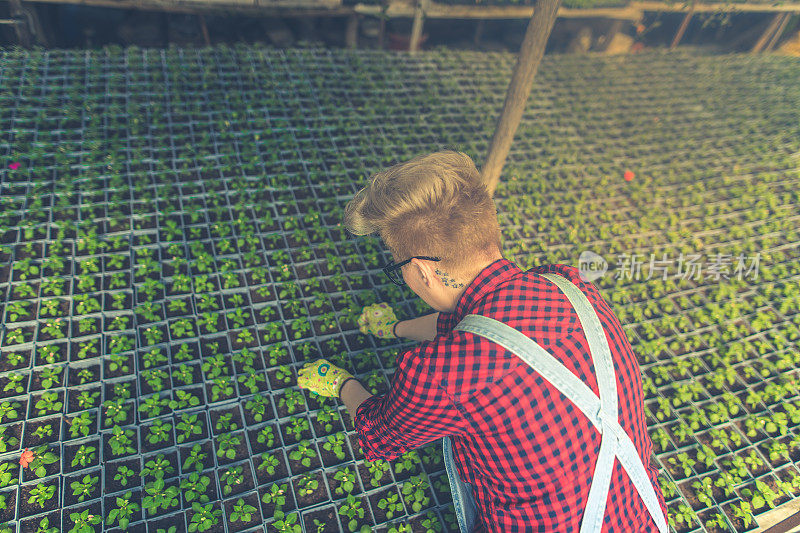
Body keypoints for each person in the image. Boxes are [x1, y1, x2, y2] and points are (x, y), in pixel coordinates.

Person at [297, 150, 668, 532]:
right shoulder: (567, 284)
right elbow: (479, 326)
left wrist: (342, 383)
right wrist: (396, 328)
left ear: (423, 271)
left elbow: (379, 437)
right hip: (640, 516)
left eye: (398, 268)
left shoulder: (437, 372)